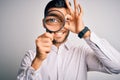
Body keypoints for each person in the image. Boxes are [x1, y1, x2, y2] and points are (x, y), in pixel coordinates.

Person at [17, 0, 120, 80]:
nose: (60, 27)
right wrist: (38, 60)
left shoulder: (82, 53)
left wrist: (84, 32)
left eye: (66, 20)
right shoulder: (31, 56)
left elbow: (117, 66)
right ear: (44, 23)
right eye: (53, 20)